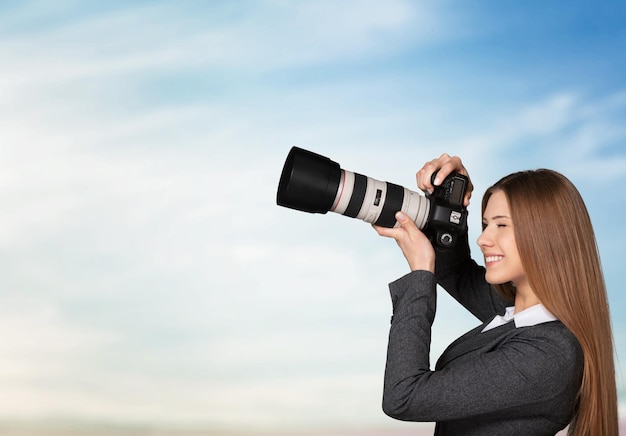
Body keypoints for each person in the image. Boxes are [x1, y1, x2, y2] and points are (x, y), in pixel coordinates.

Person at [373, 154, 618, 435]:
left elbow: (403, 397)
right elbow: (457, 273)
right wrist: (452, 202)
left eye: (501, 225)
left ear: (548, 236)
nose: (483, 239)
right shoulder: (519, 314)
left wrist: (420, 273)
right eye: (486, 224)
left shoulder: (548, 354)